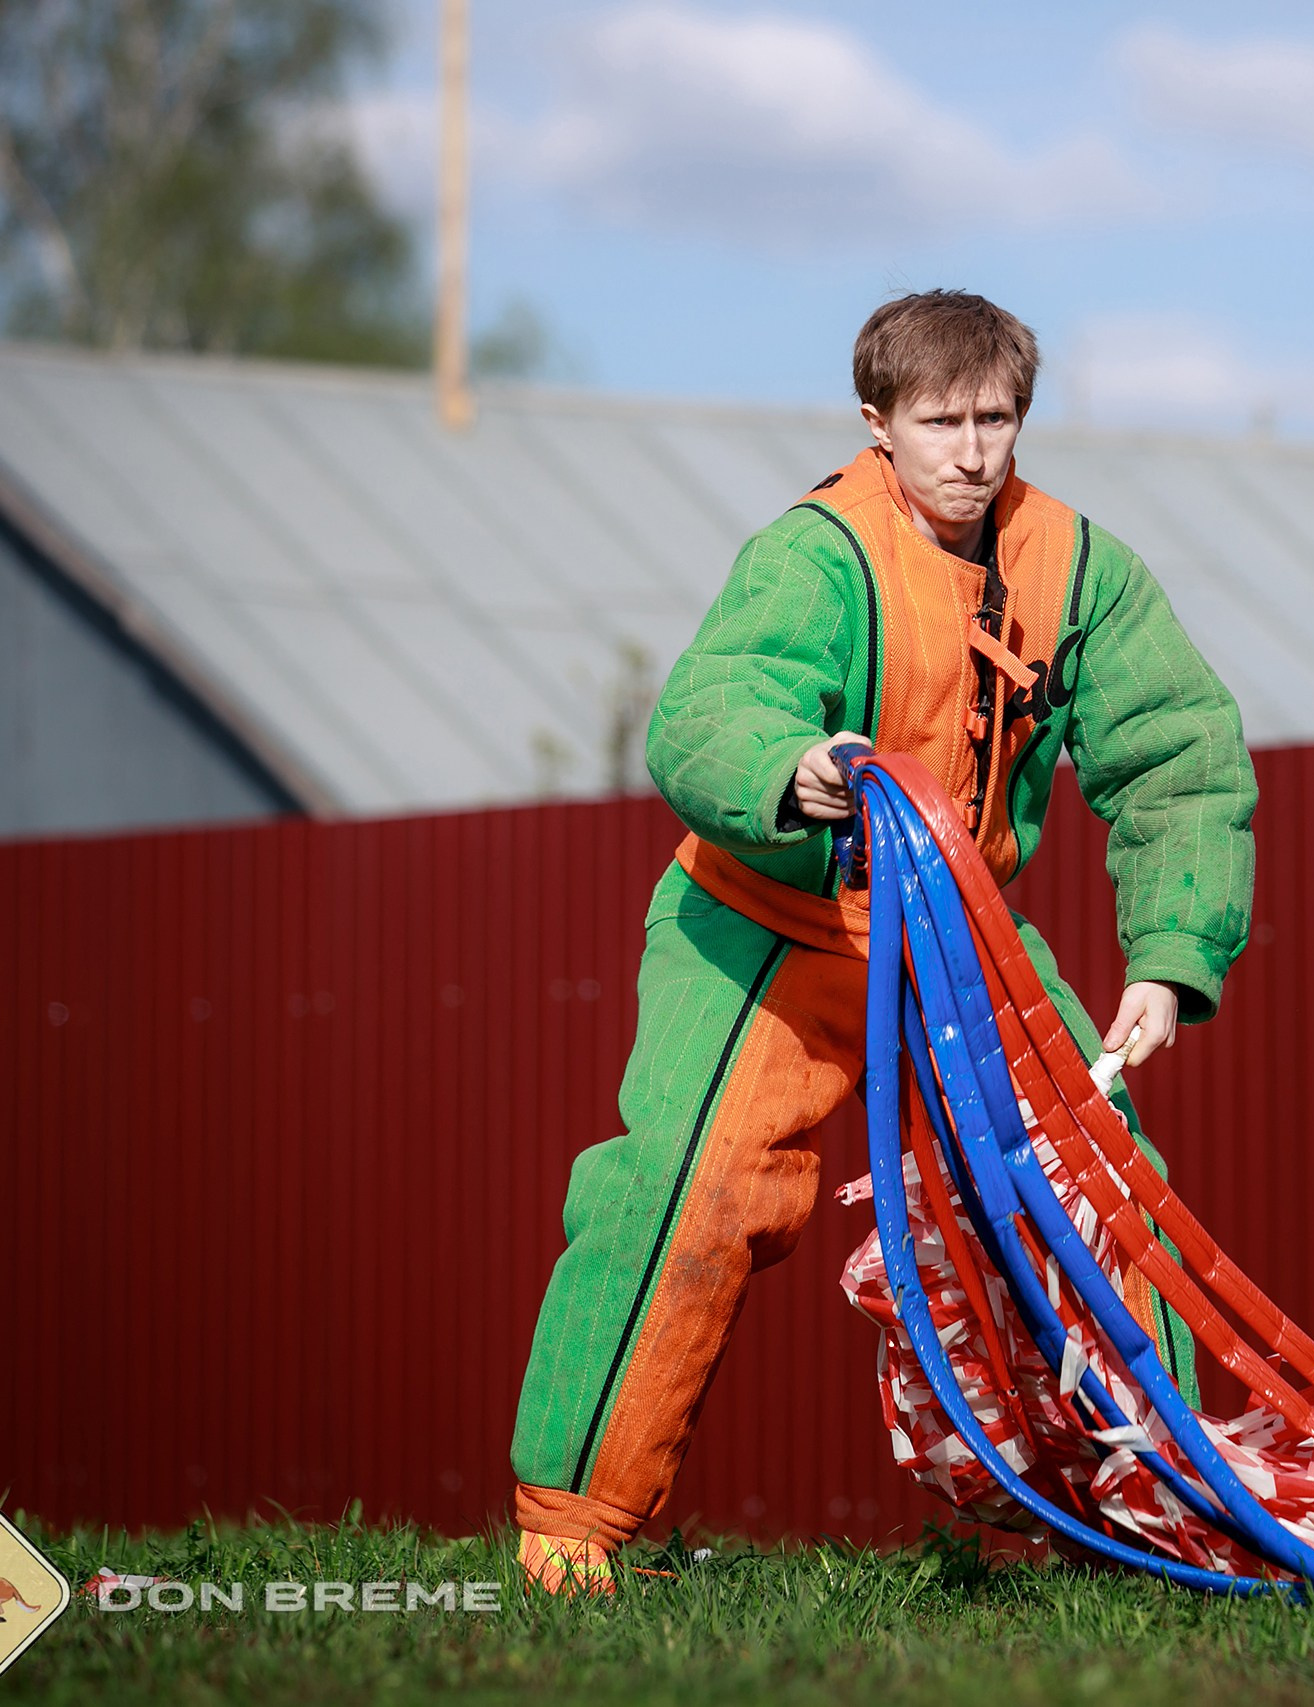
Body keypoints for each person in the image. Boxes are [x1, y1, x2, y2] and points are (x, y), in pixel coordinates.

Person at [507, 290, 1259, 1593]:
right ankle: (572, 1536)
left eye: (999, 419)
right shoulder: (813, 556)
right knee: (683, 1197)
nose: (974, 451)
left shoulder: (1078, 566)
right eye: (942, 421)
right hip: (766, 916)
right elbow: (707, 711)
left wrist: (1172, 953)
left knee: (1098, 1193)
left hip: (958, 929)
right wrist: (790, 765)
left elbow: (1179, 758)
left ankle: (1168, 1526)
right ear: (878, 425)